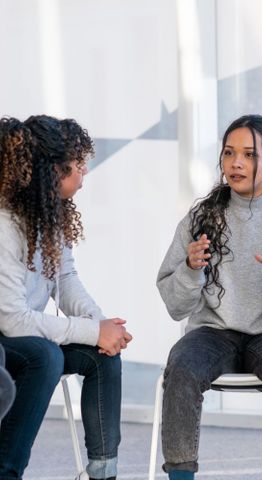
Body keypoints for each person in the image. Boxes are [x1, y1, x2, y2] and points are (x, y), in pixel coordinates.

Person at [156, 114, 262, 480]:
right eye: (229, 153)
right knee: (182, 364)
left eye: (249, 155)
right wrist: (190, 269)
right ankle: (180, 475)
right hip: (213, 331)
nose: (235, 163)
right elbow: (175, 305)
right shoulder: (201, 217)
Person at [0, 115, 133, 480]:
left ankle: (103, 472)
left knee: (101, 357)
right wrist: (92, 331)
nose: (86, 169)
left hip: (25, 331)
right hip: (5, 336)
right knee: (45, 356)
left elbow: (66, 279)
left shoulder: (49, 215)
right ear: (51, 170)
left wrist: (102, 328)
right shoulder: (5, 224)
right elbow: (11, 320)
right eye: (77, 160)